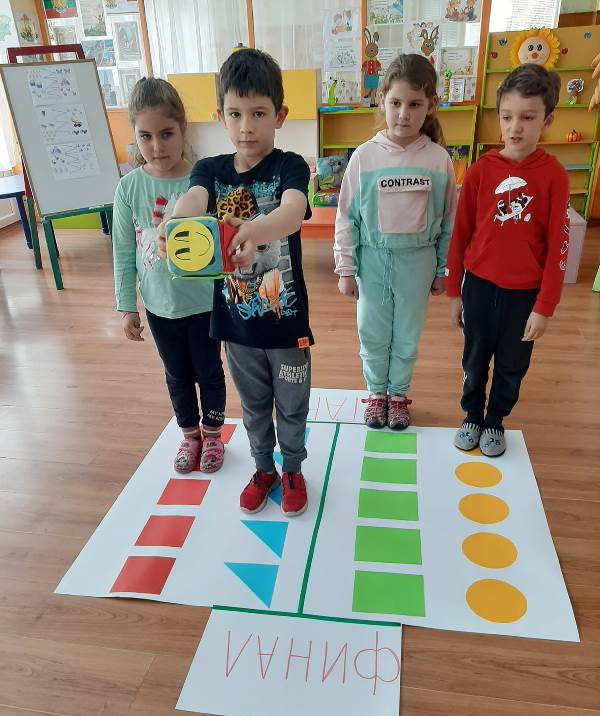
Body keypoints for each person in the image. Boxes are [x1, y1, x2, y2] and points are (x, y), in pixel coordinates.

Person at [157, 49, 312, 517]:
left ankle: (292, 469)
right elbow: (193, 199)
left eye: (259, 113)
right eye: (236, 113)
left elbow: (291, 212)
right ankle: (264, 468)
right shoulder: (211, 170)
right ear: (219, 116)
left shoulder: (290, 165)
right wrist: (175, 225)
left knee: (292, 405)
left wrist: (251, 231)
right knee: (254, 406)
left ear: (279, 115)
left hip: (287, 325)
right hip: (236, 326)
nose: (247, 126)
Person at [446, 63, 570, 457]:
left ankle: (495, 420)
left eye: (527, 118)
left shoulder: (554, 176)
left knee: (512, 366)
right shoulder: (481, 171)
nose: (515, 127)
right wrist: (454, 291)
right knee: (474, 359)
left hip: (524, 296)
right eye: (506, 117)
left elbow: (559, 246)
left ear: (547, 120)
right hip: (479, 288)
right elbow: (460, 234)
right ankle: (472, 415)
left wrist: (544, 307)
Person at [334, 53, 456, 430]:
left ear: (431, 105)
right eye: (396, 103)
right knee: (371, 332)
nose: (404, 114)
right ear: (382, 99)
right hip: (372, 261)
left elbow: (449, 220)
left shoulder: (438, 160)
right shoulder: (364, 157)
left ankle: (398, 394)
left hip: (417, 263)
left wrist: (443, 269)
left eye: (415, 104)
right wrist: (346, 268)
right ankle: (376, 393)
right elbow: (346, 216)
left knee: (407, 334)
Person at [113, 77, 226, 474]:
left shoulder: (203, 179)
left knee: (209, 372)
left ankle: (213, 436)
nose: (157, 146)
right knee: (176, 375)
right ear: (134, 135)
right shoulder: (128, 188)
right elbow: (123, 251)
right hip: (160, 307)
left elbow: (223, 239)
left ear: (183, 129)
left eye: (166, 134)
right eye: (145, 136)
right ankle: (190, 435)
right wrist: (127, 306)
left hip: (205, 304)